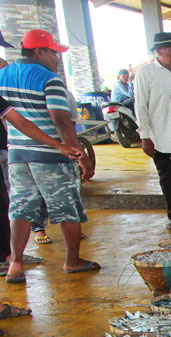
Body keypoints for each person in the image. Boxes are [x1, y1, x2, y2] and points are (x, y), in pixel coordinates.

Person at [0, 29, 95, 284]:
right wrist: (80, 155)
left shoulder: (3, 75)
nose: (56, 59)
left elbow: (11, 118)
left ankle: (16, 262)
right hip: (51, 156)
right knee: (67, 209)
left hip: (18, 154)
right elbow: (61, 121)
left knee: (20, 207)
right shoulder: (49, 79)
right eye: (54, 53)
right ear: (40, 51)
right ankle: (72, 261)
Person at [135, 32, 171, 229]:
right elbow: (141, 106)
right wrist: (145, 136)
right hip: (160, 137)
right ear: (158, 51)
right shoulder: (145, 73)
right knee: (168, 179)